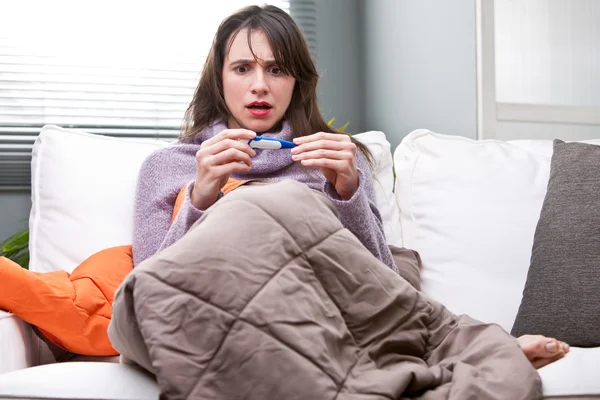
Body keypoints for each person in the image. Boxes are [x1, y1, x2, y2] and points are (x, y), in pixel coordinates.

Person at [131, 4, 568, 371]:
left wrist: (348, 192)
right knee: (261, 208)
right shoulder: (168, 167)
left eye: (277, 69)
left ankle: (462, 346)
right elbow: (147, 293)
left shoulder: (335, 159)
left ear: (296, 80)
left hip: (319, 320)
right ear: (219, 79)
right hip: (220, 316)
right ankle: (464, 350)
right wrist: (201, 197)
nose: (260, 85)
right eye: (242, 68)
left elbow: (379, 284)